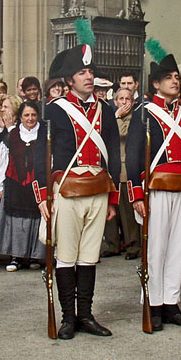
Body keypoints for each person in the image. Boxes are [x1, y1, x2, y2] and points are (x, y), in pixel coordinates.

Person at [34, 40, 121, 340]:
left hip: (98, 189)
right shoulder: (54, 110)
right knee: (67, 256)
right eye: (82, 72)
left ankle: (86, 315)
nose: (88, 76)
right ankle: (68, 318)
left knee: (89, 257)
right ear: (69, 79)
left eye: (90, 71)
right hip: (67, 190)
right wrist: (43, 194)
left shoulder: (105, 111)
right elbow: (41, 154)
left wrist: (113, 198)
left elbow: (114, 155)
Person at [126, 48, 181, 330]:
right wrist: (135, 194)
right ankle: (152, 303)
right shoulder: (144, 113)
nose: (175, 81)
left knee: (176, 248)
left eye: (176, 77)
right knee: (155, 248)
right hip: (155, 189)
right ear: (155, 84)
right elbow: (133, 155)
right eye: (168, 78)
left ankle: (171, 302)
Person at [0, 100, 46, 271]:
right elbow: (1, 160)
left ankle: (34, 256)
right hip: (15, 184)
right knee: (15, 221)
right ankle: (15, 257)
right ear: (20, 117)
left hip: (36, 185)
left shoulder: (44, 136)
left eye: (33, 115)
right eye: (26, 115)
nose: (30, 118)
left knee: (36, 219)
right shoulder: (11, 136)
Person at [100, 87, 141, 260]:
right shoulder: (109, 118)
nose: (124, 102)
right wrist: (115, 117)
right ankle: (112, 244)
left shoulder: (136, 120)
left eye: (128, 99)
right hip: (110, 169)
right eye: (121, 99)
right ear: (115, 101)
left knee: (126, 210)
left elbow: (121, 134)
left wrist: (116, 117)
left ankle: (133, 245)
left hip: (126, 169)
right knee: (109, 209)